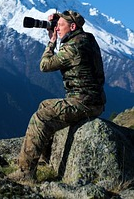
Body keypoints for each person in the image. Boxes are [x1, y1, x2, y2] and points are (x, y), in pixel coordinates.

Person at [8, 10, 106, 182]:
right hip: (93, 100)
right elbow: (69, 31)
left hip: (83, 102)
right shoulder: (87, 39)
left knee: (41, 117)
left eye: (61, 26)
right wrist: (59, 21)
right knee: (45, 105)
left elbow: (44, 66)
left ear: (73, 27)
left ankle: (25, 173)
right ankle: (45, 159)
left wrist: (51, 42)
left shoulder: (73, 48)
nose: (57, 28)